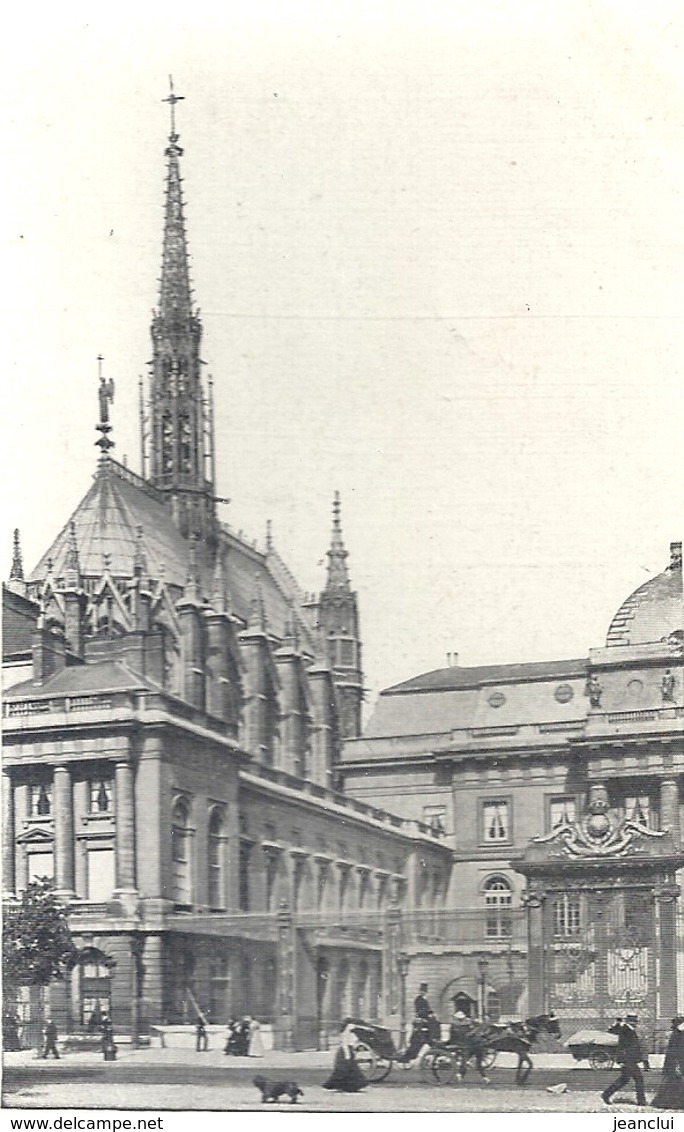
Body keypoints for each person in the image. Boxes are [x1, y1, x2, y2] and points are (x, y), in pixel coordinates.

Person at [601, 1013, 649, 1107]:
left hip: (629, 1059)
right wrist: (621, 1060)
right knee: (639, 1079)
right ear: (630, 1021)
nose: (636, 1023)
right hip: (627, 1059)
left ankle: (606, 1094)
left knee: (624, 1079)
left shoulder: (629, 1030)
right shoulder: (626, 1030)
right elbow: (622, 1046)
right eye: (634, 1021)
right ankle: (641, 1101)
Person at [323, 1020, 367, 1092]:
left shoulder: (351, 1032)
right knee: (344, 1069)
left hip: (349, 1051)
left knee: (351, 1069)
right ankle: (345, 1086)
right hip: (344, 1052)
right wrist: (347, 1055)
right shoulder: (347, 1033)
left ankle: (349, 1086)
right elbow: (345, 1044)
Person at [652, 1016, 684, 1110]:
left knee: (673, 1083)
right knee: (675, 1083)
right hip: (676, 1062)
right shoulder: (678, 1035)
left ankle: (666, 1102)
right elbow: (676, 1051)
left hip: (675, 1062)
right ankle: (673, 1103)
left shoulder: (677, 1034)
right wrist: (677, 1065)